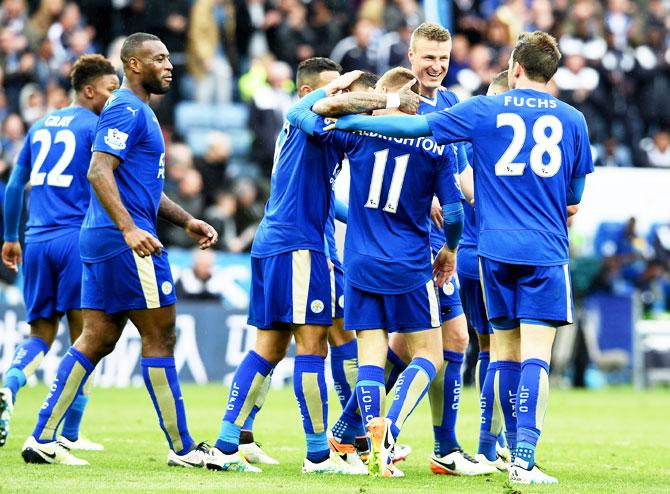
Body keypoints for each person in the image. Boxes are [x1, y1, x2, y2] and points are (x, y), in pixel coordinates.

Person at [326, 31, 594, 485]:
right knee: (529, 357)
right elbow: (573, 198)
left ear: (515, 69)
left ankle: (378, 433)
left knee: (488, 349)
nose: (436, 65)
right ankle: (519, 457)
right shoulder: (573, 119)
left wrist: (348, 120)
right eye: (428, 57)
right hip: (532, 248)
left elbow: (415, 129)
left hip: (487, 249)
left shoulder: (476, 107)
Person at [208, 58, 417, 475]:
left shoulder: (313, 131)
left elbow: (335, 191)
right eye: (334, 91)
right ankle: (322, 452)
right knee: (314, 345)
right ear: (312, 92)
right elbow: (313, 112)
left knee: (270, 347)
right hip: (300, 246)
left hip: (278, 242)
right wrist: (384, 97)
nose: (341, 98)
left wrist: (361, 214)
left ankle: (227, 443)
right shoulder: (306, 117)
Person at [21, 32, 218, 467]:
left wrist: (186, 220)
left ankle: (42, 437)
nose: (169, 65)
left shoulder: (136, 110)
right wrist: (129, 229)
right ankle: (183, 448)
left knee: (99, 336)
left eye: (169, 58)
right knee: (160, 335)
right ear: (134, 65)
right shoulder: (129, 108)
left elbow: (141, 188)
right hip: (122, 241)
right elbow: (98, 170)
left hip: (100, 237)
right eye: (159, 58)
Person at [304, 66, 463, 477]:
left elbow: (316, 110)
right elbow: (457, 212)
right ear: (415, 101)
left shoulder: (358, 134)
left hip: (358, 261)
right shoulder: (435, 145)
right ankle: (389, 431)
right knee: (429, 353)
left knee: (371, 358)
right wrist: (449, 249)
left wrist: (373, 103)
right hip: (408, 264)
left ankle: (368, 437)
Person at [381, 21, 495, 476]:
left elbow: (464, 178)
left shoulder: (450, 104)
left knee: (416, 345)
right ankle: (435, 445)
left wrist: (495, 201)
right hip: (408, 242)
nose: (436, 66)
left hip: (442, 239)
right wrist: (422, 195)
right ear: (411, 57)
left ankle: (352, 428)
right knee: (446, 342)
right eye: (428, 57)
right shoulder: (395, 104)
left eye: (444, 58)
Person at [0, 55, 119, 451]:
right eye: (110, 90)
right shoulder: (97, 126)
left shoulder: (38, 126)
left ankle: (9, 384)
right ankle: (68, 432)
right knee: (87, 337)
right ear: (89, 90)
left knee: (40, 334)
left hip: (35, 240)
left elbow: (16, 186)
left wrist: (10, 237)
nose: (114, 98)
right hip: (75, 240)